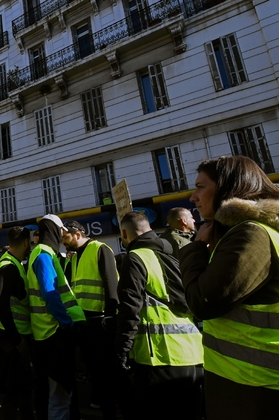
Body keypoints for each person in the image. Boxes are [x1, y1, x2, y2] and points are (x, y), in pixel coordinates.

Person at [180, 155, 279, 419]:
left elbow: (202, 300)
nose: (193, 197)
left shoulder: (251, 233)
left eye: (201, 187)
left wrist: (196, 249)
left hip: (252, 386)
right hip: (246, 381)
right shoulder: (250, 231)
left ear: (227, 186)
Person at [117, 211, 203, 420]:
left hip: (158, 357)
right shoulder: (175, 252)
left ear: (124, 234)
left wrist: (122, 351)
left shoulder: (135, 258)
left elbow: (130, 309)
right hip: (193, 353)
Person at [26, 214, 86, 419]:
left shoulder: (45, 253)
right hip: (52, 333)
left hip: (46, 332)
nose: (62, 235)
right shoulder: (44, 254)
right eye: (60, 230)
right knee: (58, 396)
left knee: (55, 394)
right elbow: (50, 295)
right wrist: (67, 323)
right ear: (53, 229)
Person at [62, 220, 118, 419]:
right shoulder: (75, 257)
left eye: (66, 237)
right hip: (83, 322)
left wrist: (111, 316)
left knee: (105, 372)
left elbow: (111, 282)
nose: (63, 242)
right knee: (94, 371)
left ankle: (110, 409)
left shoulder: (100, 249)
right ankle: (102, 405)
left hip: (100, 320)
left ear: (77, 234)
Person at [0, 226, 35, 419]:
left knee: (14, 392)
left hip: (5, 336)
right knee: (16, 393)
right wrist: (17, 339)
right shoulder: (9, 267)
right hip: (12, 341)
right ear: (25, 242)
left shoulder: (4, 263)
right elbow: (1, 305)